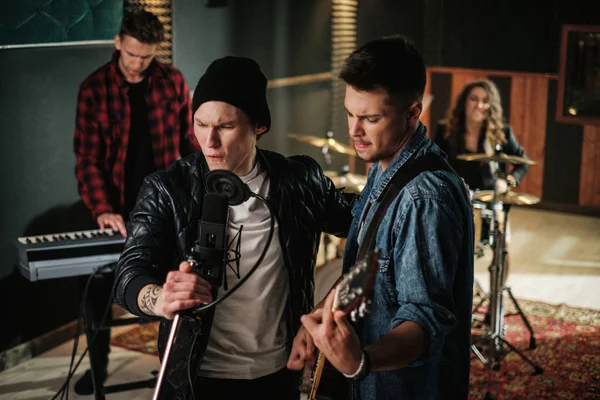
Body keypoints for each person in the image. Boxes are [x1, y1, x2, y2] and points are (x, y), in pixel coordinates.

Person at [113, 56, 354, 400]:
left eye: (225, 127)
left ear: (258, 125)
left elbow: (362, 223)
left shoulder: (300, 182)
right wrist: (159, 298)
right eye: (200, 124)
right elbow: (128, 274)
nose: (209, 141)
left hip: (278, 372)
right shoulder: (167, 188)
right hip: (196, 377)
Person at [289, 35, 475, 400]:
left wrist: (360, 362)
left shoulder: (425, 198)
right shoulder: (383, 165)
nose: (354, 131)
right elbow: (367, 269)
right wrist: (321, 319)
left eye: (370, 118)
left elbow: (424, 321)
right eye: (349, 114)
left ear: (412, 113)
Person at [73, 9, 200, 394]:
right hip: (112, 209)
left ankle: (171, 367)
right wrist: (102, 209)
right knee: (98, 298)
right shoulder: (94, 88)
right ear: (118, 43)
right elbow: (87, 159)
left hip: (162, 208)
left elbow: (187, 145)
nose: (137, 64)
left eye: (145, 57)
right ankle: (97, 368)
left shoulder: (172, 82)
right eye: (131, 54)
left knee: (171, 291)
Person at [434, 79, 530, 281]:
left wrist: (510, 180)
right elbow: (433, 164)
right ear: (464, 102)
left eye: (485, 101)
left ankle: (497, 301)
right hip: (456, 198)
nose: (479, 105)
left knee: (504, 244)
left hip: (489, 199)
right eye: (474, 99)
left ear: (491, 106)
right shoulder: (445, 130)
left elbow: (523, 162)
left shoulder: (501, 133)